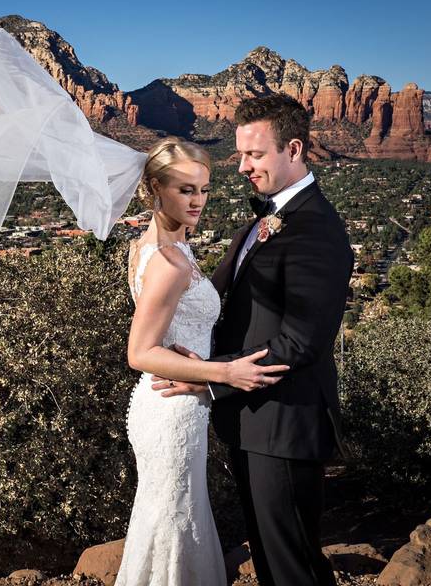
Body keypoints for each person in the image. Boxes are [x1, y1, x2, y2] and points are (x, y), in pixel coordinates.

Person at [155, 94, 354, 586]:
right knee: (271, 559)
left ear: (293, 149)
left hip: (284, 423)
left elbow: (302, 340)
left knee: (292, 567)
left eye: (255, 155)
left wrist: (214, 380)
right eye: (241, 154)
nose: (242, 166)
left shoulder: (318, 230)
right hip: (253, 420)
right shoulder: (264, 218)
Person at [116, 136, 289, 586]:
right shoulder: (170, 263)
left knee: (170, 515)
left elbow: (180, 316)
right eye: (185, 189)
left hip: (170, 404)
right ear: (155, 189)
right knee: (174, 519)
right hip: (171, 407)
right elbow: (139, 352)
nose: (198, 201)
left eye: (205, 189)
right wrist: (225, 372)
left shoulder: (150, 246)